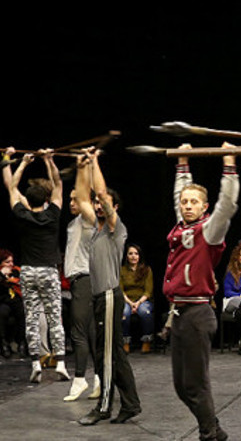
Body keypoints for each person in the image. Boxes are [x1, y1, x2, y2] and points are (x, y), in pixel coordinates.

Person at [163, 142, 238, 441]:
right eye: (185, 202)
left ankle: (209, 434)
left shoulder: (210, 230)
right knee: (182, 387)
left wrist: (229, 163)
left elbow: (227, 204)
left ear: (204, 207)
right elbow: (177, 195)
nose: (188, 205)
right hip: (178, 312)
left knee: (196, 385)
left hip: (197, 313)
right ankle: (215, 430)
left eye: (194, 202)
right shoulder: (180, 228)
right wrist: (182, 161)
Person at [73, 148, 141, 426]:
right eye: (98, 205)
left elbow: (99, 194)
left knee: (107, 357)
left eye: (104, 204)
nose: (99, 207)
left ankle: (103, 408)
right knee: (113, 355)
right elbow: (81, 198)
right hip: (100, 297)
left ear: (113, 207)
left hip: (111, 296)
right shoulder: (97, 227)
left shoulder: (116, 228)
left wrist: (96, 162)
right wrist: (81, 168)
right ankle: (131, 404)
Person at [2, 147, 69, 383]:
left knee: (31, 318)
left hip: (29, 271)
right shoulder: (53, 215)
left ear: (28, 199)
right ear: (46, 199)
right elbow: (58, 184)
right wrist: (49, 160)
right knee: (54, 317)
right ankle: (60, 362)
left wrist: (19, 162)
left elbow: (11, 187)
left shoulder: (22, 214)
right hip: (49, 271)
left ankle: (35, 363)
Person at [63, 182, 100, 401]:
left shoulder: (88, 221)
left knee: (78, 332)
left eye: (75, 199)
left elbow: (85, 194)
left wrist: (83, 167)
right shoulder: (74, 223)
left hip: (84, 279)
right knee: (91, 331)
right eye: (69, 199)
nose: (71, 203)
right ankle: (99, 379)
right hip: (81, 280)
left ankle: (79, 379)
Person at [120, 244, 154, 354]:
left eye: (136, 254)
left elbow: (148, 291)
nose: (133, 256)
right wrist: (131, 304)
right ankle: (125, 342)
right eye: (130, 254)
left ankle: (147, 341)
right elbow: (121, 290)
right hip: (127, 300)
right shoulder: (121, 270)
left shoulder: (146, 270)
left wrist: (138, 303)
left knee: (145, 312)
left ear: (140, 256)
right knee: (124, 312)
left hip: (142, 300)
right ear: (126, 256)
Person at [0, 249, 25, 358]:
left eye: (12, 261)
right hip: (3, 301)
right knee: (2, 312)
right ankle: (3, 344)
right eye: (7, 262)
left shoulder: (16, 271)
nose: (11, 264)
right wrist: (1, 275)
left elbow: (22, 285)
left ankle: (22, 343)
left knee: (23, 310)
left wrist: (11, 279)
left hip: (16, 301)